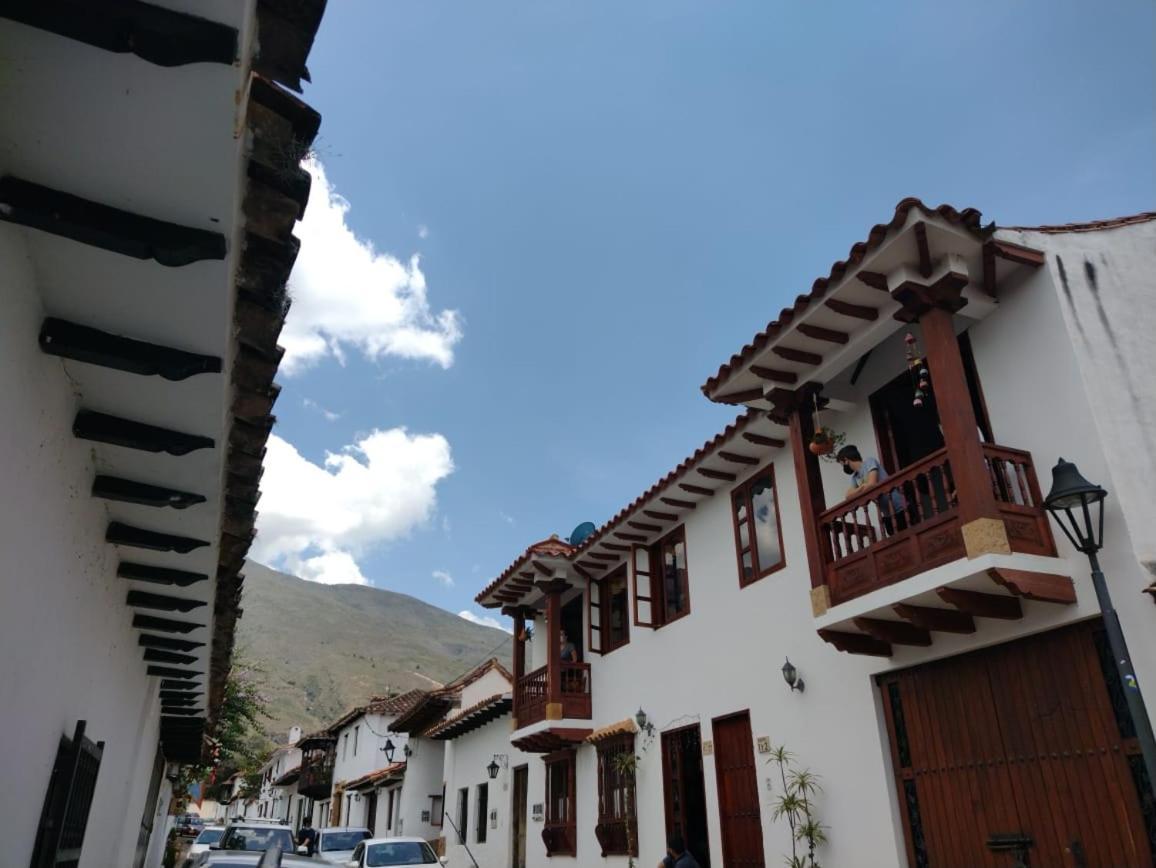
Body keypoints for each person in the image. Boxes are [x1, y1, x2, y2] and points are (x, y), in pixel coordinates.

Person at [837, 445, 907, 534]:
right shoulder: (855, 477)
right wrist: (862, 488)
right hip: (888, 515)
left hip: (901, 509)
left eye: (842, 464)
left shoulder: (869, 462)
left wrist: (859, 490)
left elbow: (872, 484)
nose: (843, 467)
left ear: (846, 460)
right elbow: (848, 496)